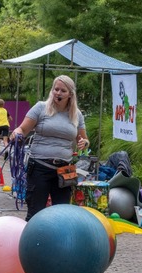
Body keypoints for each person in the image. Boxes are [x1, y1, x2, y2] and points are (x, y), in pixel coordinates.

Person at [10, 75, 89, 221]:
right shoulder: (41, 107)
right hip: (40, 166)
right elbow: (22, 129)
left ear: (70, 94)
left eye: (62, 91)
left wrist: (84, 143)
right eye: (55, 89)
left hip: (65, 169)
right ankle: (31, 242)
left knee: (62, 214)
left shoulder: (76, 114)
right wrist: (17, 133)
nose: (58, 93)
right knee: (35, 213)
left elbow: (83, 139)